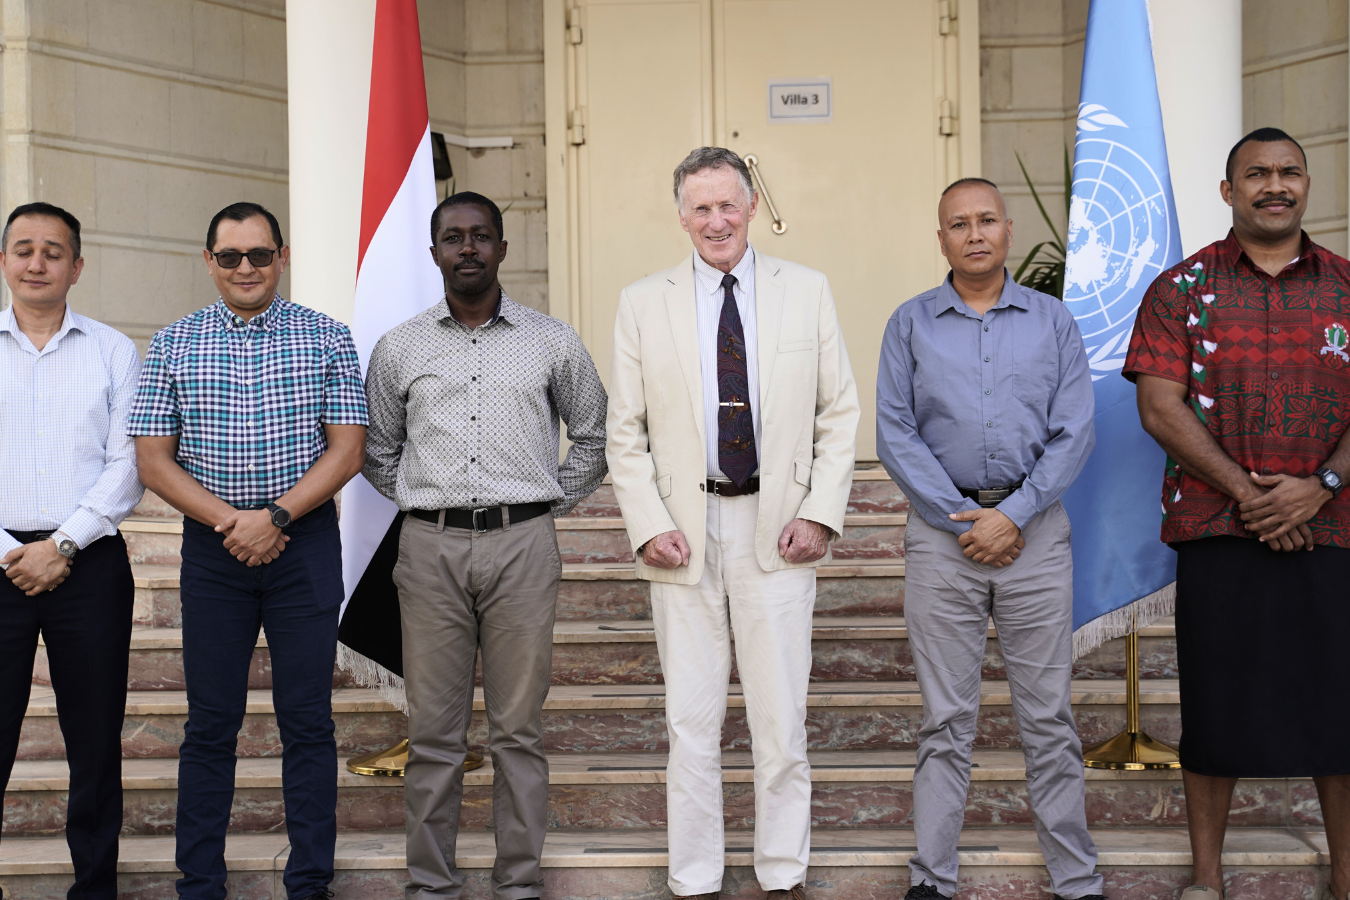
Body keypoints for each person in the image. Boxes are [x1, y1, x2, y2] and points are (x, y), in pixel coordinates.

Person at [606, 147, 859, 900]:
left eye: (727, 205)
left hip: (777, 531)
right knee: (690, 720)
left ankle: (782, 872)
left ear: (751, 207)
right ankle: (695, 875)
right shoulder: (641, 302)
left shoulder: (806, 290)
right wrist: (648, 523)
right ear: (681, 216)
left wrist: (818, 513)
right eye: (701, 208)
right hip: (681, 534)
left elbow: (838, 413)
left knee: (780, 720)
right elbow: (626, 431)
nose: (716, 220)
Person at [1125, 127, 1350, 900]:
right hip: (1218, 531)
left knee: (1340, 708)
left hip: (1335, 529)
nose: (1274, 185)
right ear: (1229, 191)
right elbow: (1160, 407)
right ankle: (1207, 880)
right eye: (1256, 174)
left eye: (1289, 172)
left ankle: (1346, 880)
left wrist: (1320, 484)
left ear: (1307, 185)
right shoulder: (1179, 289)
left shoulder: (1348, 286)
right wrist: (1253, 496)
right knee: (1216, 708)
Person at [363, 191, 608, 900]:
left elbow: (594, 438)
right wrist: (427, 501)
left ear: (502, 247)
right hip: (430, 551)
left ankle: (519, 883)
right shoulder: (400, 347)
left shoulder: (552, 341)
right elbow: (377, 451)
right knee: (434, 735)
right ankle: (430, 885)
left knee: (518, 731)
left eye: (480, 236)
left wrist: (540, 504)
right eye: (453, 237)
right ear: (434, 252)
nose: (467, 248)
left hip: (523, 549)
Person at [129, 202, 368, 900]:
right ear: (209, 261)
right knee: (210, 725)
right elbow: (152, 459)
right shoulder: (173, 342)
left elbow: (348, 449)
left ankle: (310, 882)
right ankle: (200, 884)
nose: (245, 268)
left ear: (281, 257)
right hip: (214, 552)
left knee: (308, 722)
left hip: (304, 545)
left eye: (259, 254)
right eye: (230, 256)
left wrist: (276, 516)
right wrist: (235, 523)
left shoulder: (327, 336)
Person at [876, 177, 1106, 900]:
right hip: (942, 540)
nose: (974, 234)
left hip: (1036, 537)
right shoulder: (909, 324)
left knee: (1048, 718)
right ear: (940, 238)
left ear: (1008, 229)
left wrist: (1016, 514)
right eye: (958, 224)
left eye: (986, 220)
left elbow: (1076, 430)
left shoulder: (1053, 321)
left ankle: (1076, 879)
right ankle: (931, 878)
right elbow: (894, 432)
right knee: (946, 719)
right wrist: (960, 516)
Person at [0, 202, 143, 900]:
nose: (37, 263)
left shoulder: (114, 351)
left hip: (88, 566)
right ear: (4, 261)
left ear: (77, 266)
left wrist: (62, 543)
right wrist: (11, 550)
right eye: (23, 249)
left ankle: (94, 888)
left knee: (94, 740)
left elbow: (130, 461)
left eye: (53, 252)